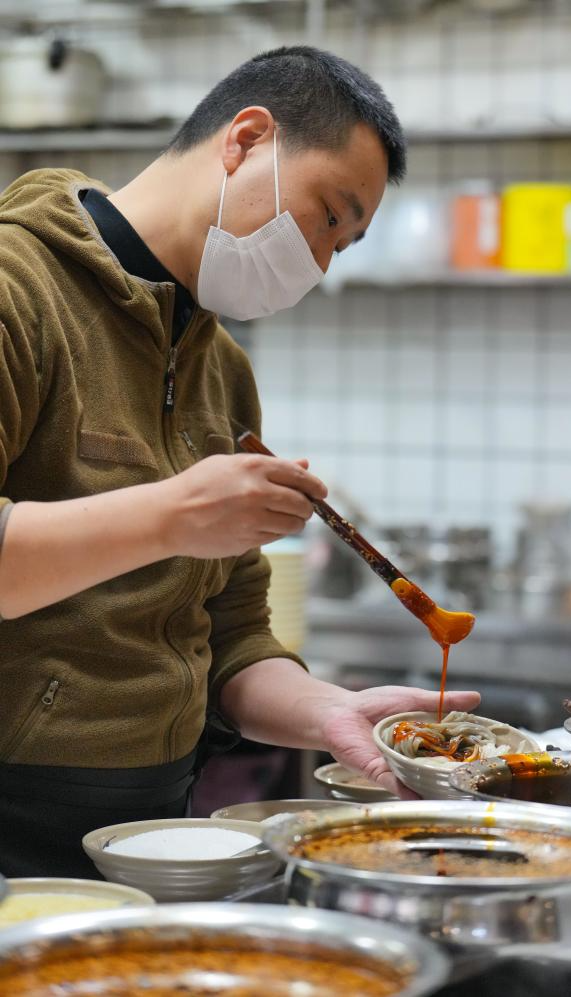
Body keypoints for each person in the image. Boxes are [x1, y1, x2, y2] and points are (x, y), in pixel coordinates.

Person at [0, 45, 479, 877]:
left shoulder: (221, 369)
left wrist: (326, 711)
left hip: (151, 826)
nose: (319, 263)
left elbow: (233, 634)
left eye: (343, 245)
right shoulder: (19, 289)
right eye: (327, 216)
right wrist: (173, 515)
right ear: (246, 139)